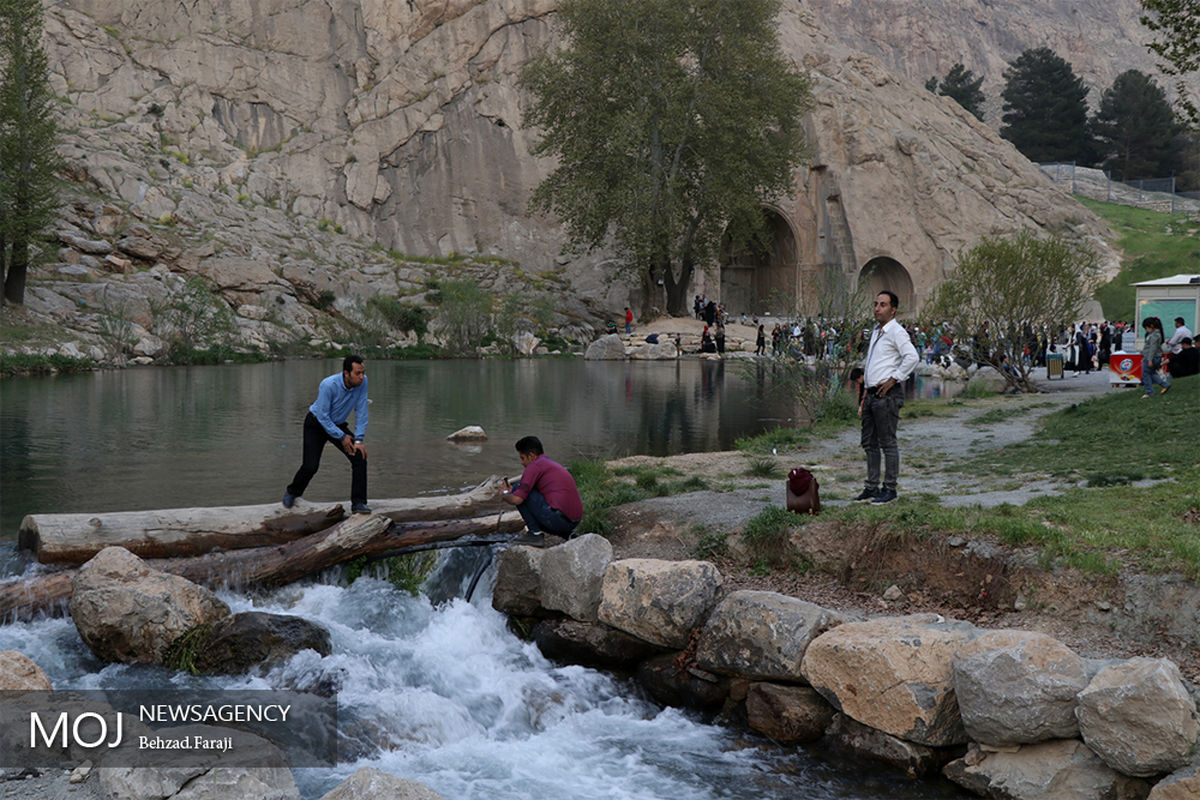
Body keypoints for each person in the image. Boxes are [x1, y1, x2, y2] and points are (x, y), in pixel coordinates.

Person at [283, 355, 371, 513]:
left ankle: (358, 503)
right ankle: (292, 492)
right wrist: (342, 436)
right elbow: (323, 416)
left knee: (359, 457)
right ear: (346, 373)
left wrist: (358, 440)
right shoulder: (328, 385)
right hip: (316, 424)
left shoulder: (362, 383)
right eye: (357, 373)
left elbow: (362, 411)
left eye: (363, 372)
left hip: (337, 424)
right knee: (310, 466)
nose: (361, 376)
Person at [854, 291, 919, 504]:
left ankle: (889, 488)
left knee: (887, 443)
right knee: (869, 443)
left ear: (893, 309)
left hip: (887, 394)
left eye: (882, 304)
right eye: (876, 304)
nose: (877, 308)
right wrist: (865, 390)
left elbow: (912, 357)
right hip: (872, 394)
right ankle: (871, 486)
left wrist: (895, 378)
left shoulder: (896, 332)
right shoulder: (877, 332)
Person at [499, 436, 582, 547]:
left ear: (532, 456)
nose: (522, 463)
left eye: (523, 458)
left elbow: (517, 500)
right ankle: (568, 534)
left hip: (558, 520)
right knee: (525, 491)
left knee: (517, 487)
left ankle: (535, 534)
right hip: (573, 521)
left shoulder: (534, 466)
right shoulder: (548, 463)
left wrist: (504, 494)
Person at [1140, 316, 1171, 398]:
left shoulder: (1154, 335)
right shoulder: (1158, 334)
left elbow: (1152, 348)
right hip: (1155, 357)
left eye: (1146, 328)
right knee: (1151, 373)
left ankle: (1149, 392)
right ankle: (1165, 384)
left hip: (1151, 357)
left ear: (1151, 326)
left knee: (1145, 375)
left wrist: (1149, 359)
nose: (1146, 330)